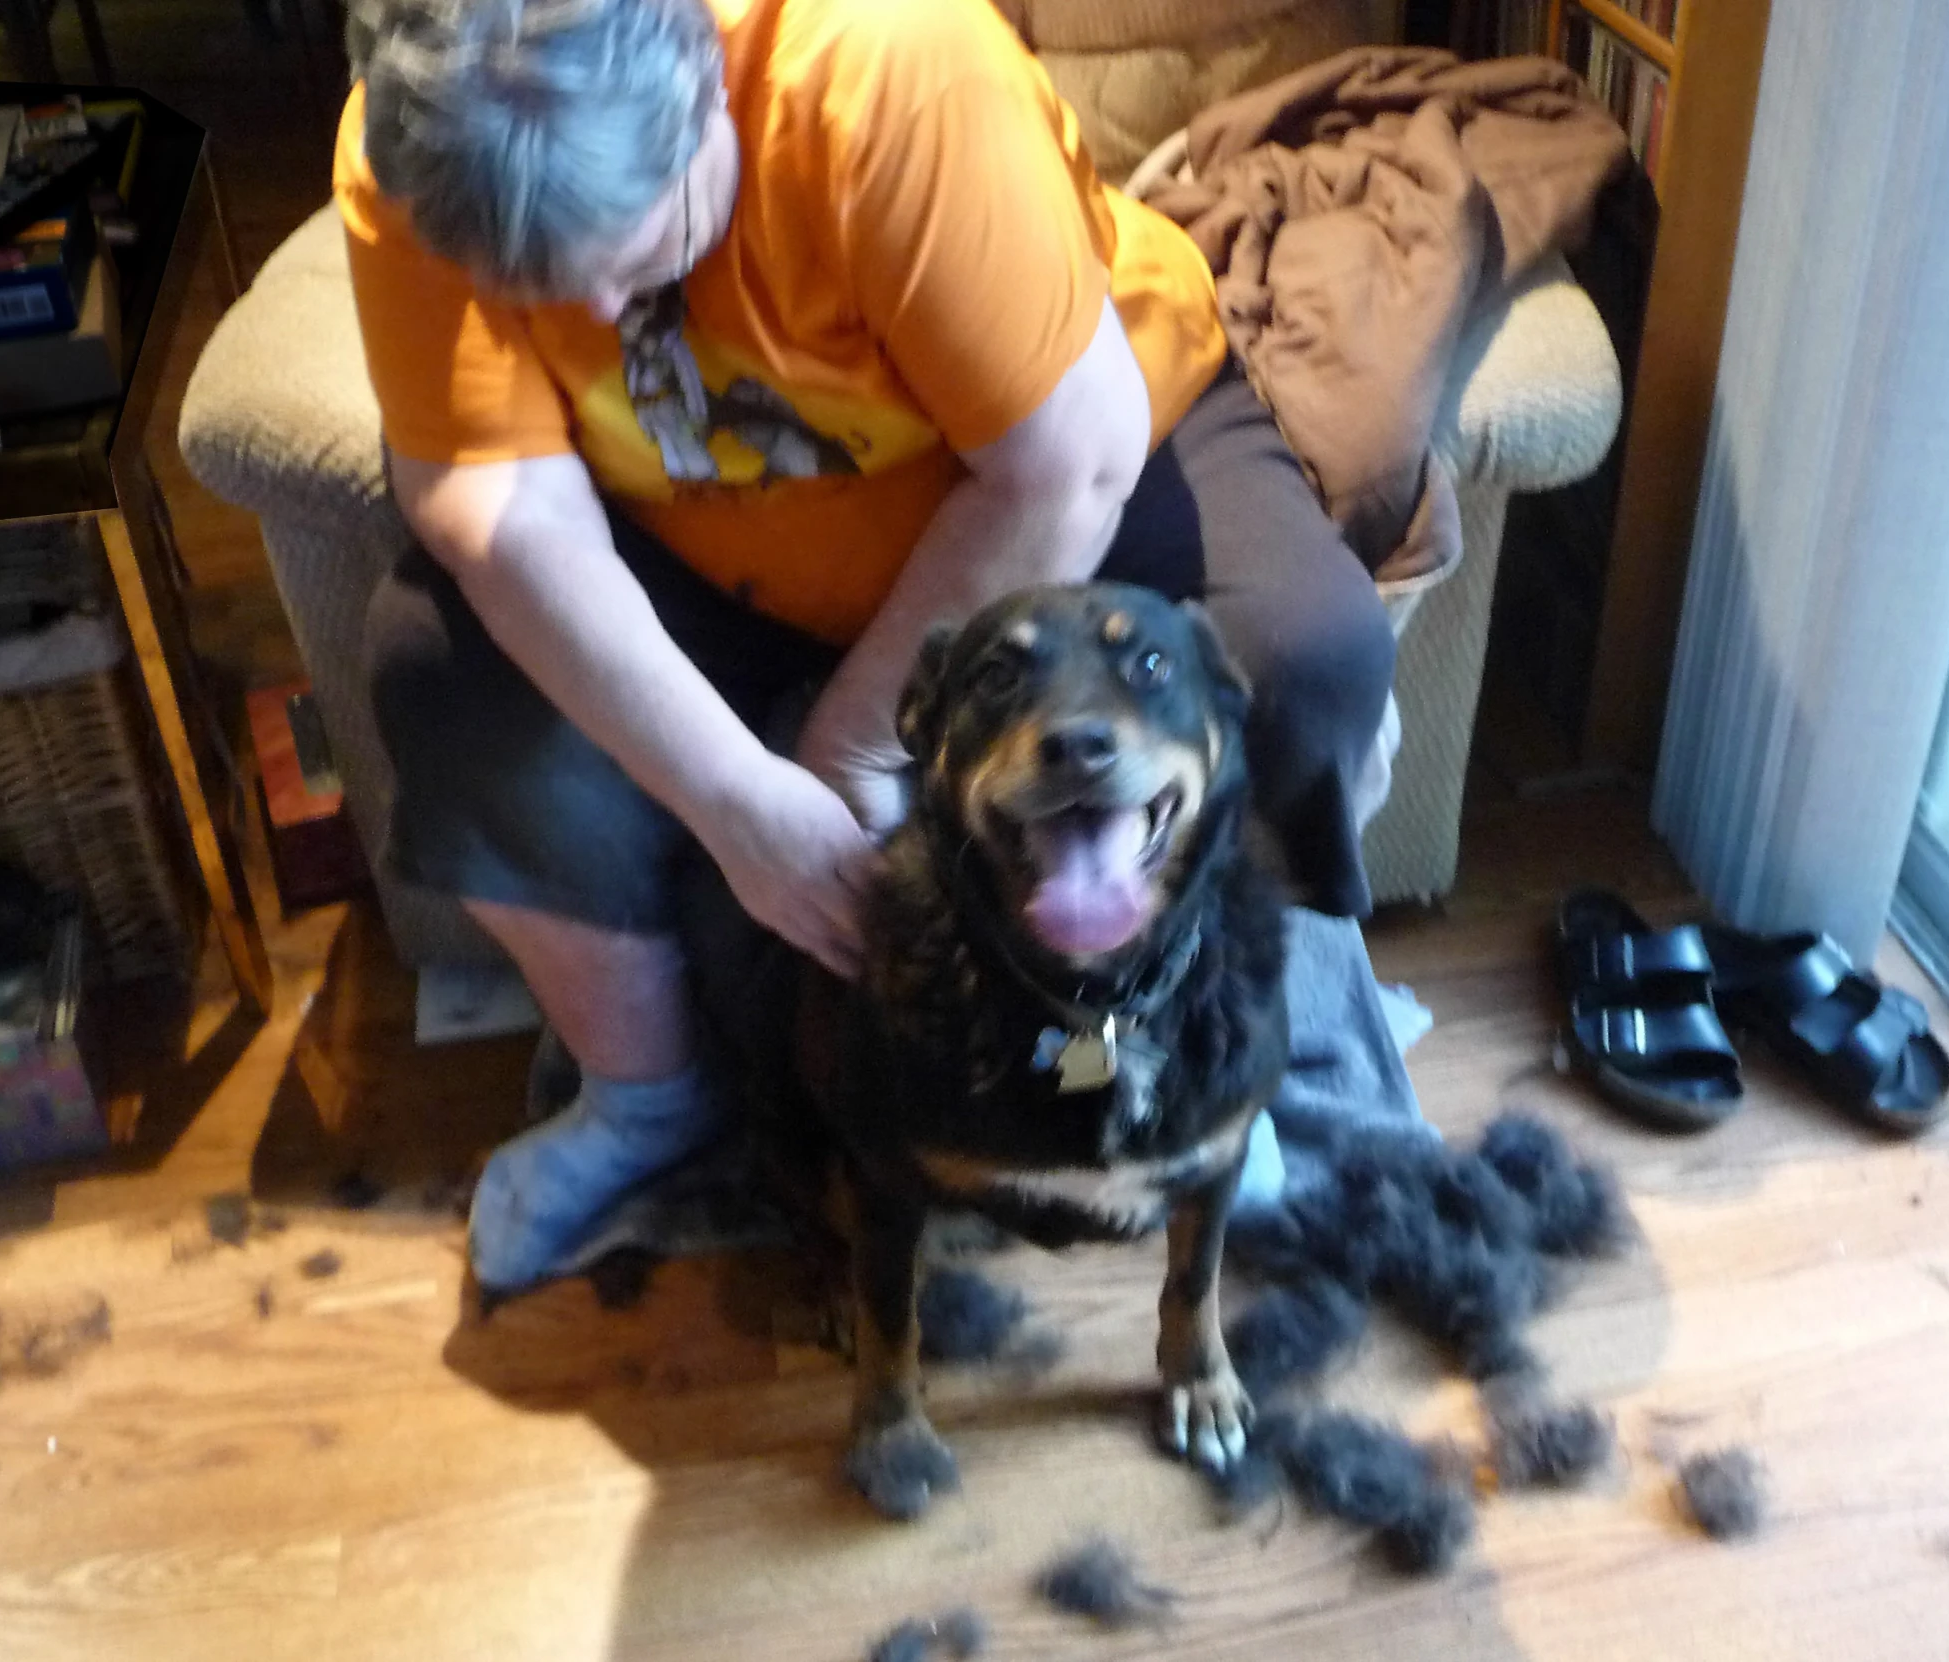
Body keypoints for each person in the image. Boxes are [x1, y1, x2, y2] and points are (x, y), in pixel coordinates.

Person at [338, 0, 1402, 1293]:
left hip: (1050, 461)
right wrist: (738, 802)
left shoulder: (895, 72)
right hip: (691, 515)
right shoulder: (429, 133)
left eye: (640, 250)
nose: (603, 308)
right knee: (433, 674)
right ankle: (645, 1096)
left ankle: (1226, 1064)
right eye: (545, 295)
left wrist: (851, 747)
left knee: (1309, 653)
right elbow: (499, 521)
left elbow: (1066, 469)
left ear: (702, 85)